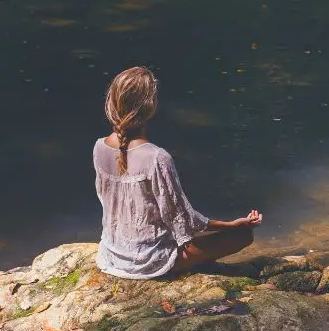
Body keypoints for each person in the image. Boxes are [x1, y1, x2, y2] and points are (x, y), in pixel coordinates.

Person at [94, 65, 261, 279]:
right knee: (242, 236)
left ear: (111, 102)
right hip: (149, 261)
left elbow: (107, 201)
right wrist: (229, 225)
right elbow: (183, 219)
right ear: (151, 106)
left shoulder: (99, 147)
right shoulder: (157, 157)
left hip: (112, 254)